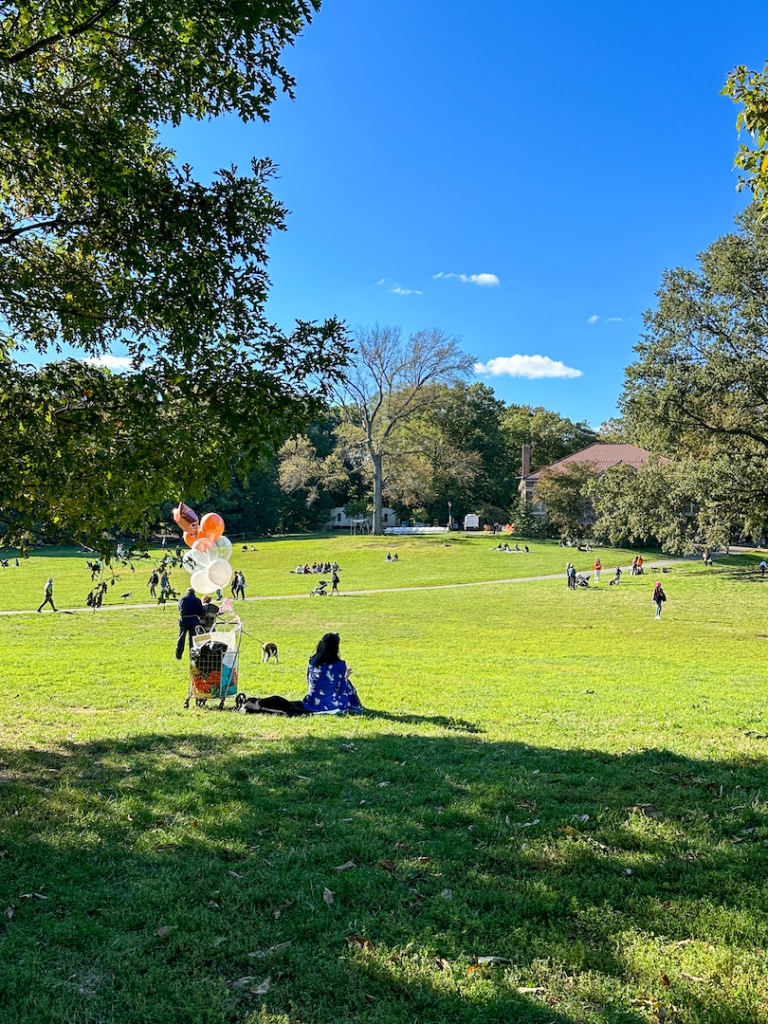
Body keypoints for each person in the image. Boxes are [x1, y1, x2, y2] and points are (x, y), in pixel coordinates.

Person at [176, 587, 204, 659]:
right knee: (193, 639)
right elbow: (201, 611)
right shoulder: (197, 600)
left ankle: (178, 655)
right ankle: (193, 656)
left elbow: (179, 608)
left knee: (181, 638)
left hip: (184, 620)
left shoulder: (183, 599)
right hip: (194, 620)